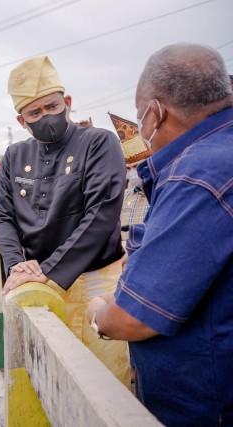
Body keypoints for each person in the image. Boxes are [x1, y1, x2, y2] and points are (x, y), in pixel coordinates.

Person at [86, 43, 233, 426]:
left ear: (154, 112)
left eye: (139, 119)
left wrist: (100, 315)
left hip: (204, 407)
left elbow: (135, 318)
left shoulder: (196, 176)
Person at [0, 55, 128, 384]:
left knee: (106, 378)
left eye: (52, 107)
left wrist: (46, 269)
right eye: (34, 113)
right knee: (52, 377)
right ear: (22, 119)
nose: (45, 117)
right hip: (36, 281)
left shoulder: (98, 143)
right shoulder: (15, 156)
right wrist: (16, 265)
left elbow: (101, 214)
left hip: (96, 279)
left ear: (66, 102)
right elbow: (3, 214)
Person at [109, 113, 152, 240]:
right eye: (128, 168)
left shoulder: (162, 193)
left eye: (137, 166)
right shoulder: (121, 197)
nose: (133, 173)